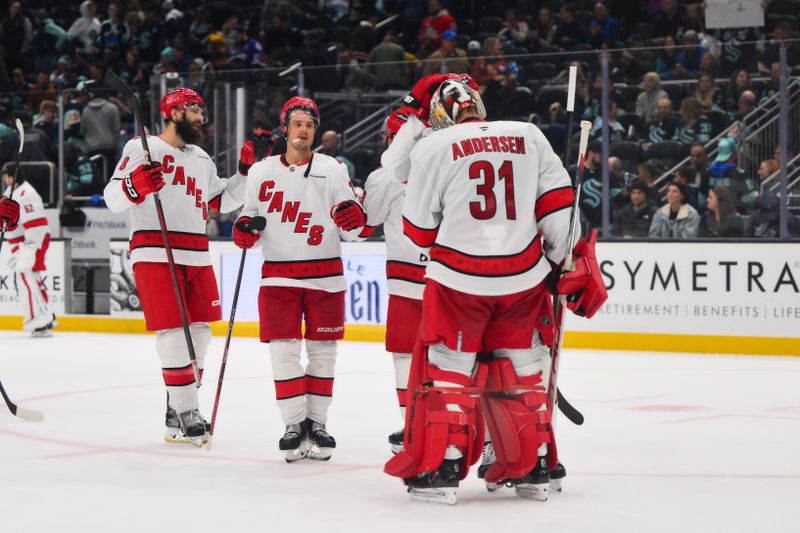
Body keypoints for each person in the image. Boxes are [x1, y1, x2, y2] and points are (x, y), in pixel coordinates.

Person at [384, 79, 607, 505]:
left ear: (439, 115)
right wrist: (563, 263)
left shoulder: (433, 147)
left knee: (448, 373)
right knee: (522, 370)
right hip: (522, 279)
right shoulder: (529, 134)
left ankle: (445, 468)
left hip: (458, 281)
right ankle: (536, 465)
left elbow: (418, 231)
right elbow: (561, 213)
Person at [104, 88, 270, 446]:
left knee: (199, 335)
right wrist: (136, 185)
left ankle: (174, 409)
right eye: (195, 111)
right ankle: (188, 410)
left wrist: (245, 171)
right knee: (173, 334)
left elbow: (221, 201)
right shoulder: (141, 148)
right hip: (155, 249)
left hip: (196, 252)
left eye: (202, 112)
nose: (201, 119)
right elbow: (112, 198)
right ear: (174, 111)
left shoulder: (201, 158)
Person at [234, 96, 365, 462]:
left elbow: (351, 223)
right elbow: (250, 218)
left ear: (315, 130)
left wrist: (354, 220)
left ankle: (317, 423)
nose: (304, 129)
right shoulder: (260, 172)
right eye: (297, 123)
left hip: (326, 277)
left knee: (324, 356)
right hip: (278, 277)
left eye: (309, 123)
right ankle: (294, 424)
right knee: (283, 353)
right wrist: (245, 232)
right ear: (285, 128)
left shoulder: (333, 168)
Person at [1, 166, 56, 336]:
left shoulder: (27, 193)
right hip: (21, 243)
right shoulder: (11, 191)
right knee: (31, 278)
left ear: (10, 177)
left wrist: (30, 247)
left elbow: (37, 222)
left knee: (25, 274)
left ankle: (39, 320)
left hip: (32, 241)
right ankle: (45, 317)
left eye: (5, 176)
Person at [700, 138, 757, 212]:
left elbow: (701, 200)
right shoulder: (739, 174)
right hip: (734, 217)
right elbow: (750, 198)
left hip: (711, 216)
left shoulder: (706, 173)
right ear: (733, 154)